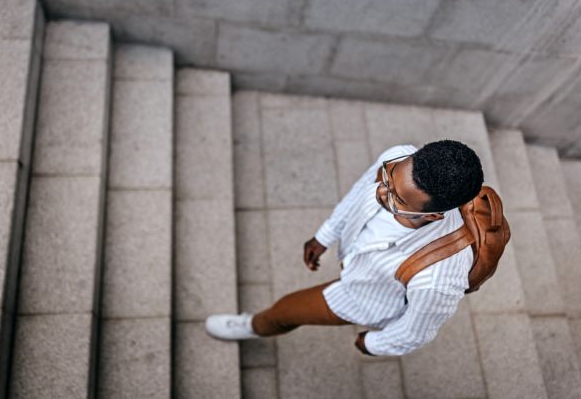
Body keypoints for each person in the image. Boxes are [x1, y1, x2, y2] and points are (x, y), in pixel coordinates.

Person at [205, 140, 484, 356]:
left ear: (433, 216)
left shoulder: (438, 279)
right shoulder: (397, 157)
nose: (381, 192)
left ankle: (250, 326)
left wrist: (375, 343)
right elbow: (358, 193)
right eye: (388, 177)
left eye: (396, 198)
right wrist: (325, 235)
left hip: (367, 297)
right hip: (357, 261)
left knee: (285, 312)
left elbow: (417, 331)